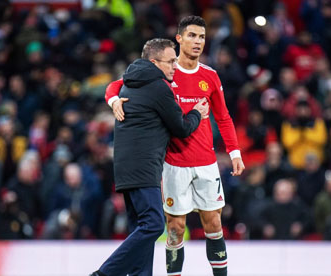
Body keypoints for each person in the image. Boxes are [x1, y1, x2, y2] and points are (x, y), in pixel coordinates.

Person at [105, 15, 245, 276]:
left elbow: (223, 117)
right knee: (175, 228)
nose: (197, 42)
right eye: (192, 35)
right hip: (173, 162)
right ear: (179, 39)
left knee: (214, 222)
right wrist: (113, 99)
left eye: (202, 37)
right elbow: (117, 85)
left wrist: (234, 151)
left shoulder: (210, 76)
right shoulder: (165, 72)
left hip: (206, 161)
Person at [90, 38, 208, 276]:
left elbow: (113, 86)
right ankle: (104, 273)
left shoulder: (132, 81)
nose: (175, 65)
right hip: (144, 167)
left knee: (140, 227)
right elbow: (181, 128)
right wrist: (197, 113)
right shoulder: (157, 86)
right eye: (170, 61)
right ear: (154, 62)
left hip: (126, 167)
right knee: (154, 224)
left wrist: (113, 99)